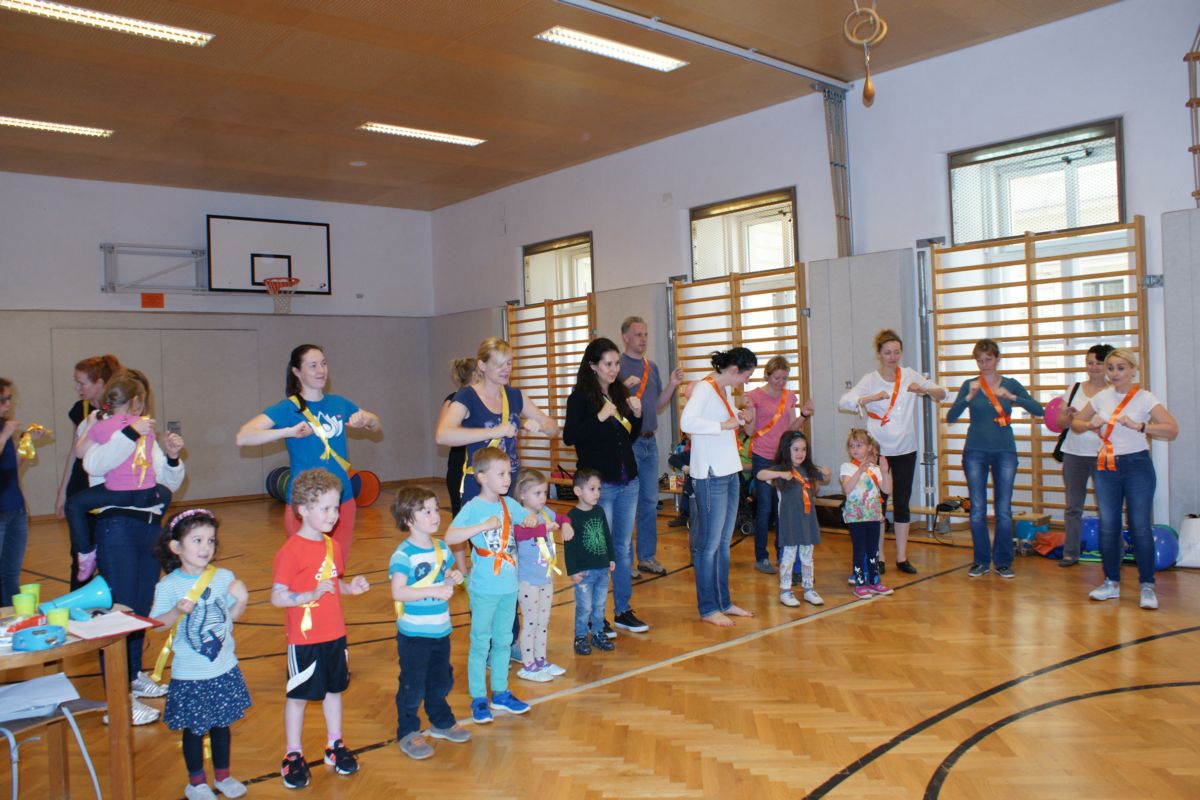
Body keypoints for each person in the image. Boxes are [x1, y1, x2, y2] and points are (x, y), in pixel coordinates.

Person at [81, 370, 185, 726]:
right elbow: (93, 464)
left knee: (141, 606)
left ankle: (134, 674)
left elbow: (166, 481)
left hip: (148, 526)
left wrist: (172, 457)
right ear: (136, 402)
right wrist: (128, 434)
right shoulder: (102, 428)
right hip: (117, 526)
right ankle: (118, 700)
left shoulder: (145, 434)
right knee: (119, 608)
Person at [270, 468, 371, 789]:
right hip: (304, 638)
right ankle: (293, 754)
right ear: (302, 509)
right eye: (325, 508)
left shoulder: (332, 546)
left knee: (334, 690)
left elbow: (332, 583)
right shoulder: (290, 551)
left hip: (335, 633)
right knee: (299, 697)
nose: (333, 514)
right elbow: (277, 597)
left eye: (336, 507)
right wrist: (308, 596)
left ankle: (334, 744)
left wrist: (349, 588)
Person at [237, 344, 381, 559]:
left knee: (336, 567)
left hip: (342, 501)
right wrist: (288, 432)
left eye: (323, 364)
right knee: (308, 568)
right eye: (313, 365)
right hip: (305, 504)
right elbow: (244, 436)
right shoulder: (287, 408)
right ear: (296, 371)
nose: (321, 370)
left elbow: (377, 424)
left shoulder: (339, 403)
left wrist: (367, 420)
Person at [150, 509, 251, 800]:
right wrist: (175, 611)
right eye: (197, 540)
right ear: (176, 547)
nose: (206, 547)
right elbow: (157, 625)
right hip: (191, 674)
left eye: (211, 540)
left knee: (221, 726)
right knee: (194, 731)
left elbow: (230, 618)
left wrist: (242, 600)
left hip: (223, 668)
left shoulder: (224, 577)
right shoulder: (168, 586)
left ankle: (223, 776)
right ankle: (196, 783)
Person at [1071, 349, 1178, 610]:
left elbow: (1171, 429)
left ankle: (1147, 585)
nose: (1115, 373)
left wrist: (1142, 426)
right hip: (1106, 466)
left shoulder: (1145, 397)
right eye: (1111, 368)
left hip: (1137, 465)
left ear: (1132, 370)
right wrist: (1089, 424)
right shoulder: (1101, 397)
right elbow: (1075, 424)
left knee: (1139, 525)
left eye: (1121, 368)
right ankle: (1111, 582)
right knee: (1109, 525)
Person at [839, 330, 944, 575]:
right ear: (879, 354)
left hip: (906, 448)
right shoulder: (870, 379)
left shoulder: (909, 375)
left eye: (897, 352)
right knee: (878, 503)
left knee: (902, 503)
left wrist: (924, 390)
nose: (893, 357)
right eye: (887, 352)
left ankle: (902, 556)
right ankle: (879, 556)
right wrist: (869, 398)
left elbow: (942, 393)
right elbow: (844, 402)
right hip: (878, 452)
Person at [563, 337, 649, 636]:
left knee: (623, 550)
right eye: (608, 364)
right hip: (600, 487)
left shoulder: (619, 392)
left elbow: (628, 436)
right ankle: (593, 616)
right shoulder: (580, 398)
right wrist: (598, 418)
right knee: (599, 551)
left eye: (616, 364)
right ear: (593, 365)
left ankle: (623, 609)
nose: (614, 369)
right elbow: (570, 436)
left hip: (628, 481)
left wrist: (637, 416)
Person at [444, 447, 536, 724]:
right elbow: (450, 536)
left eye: (509, 473)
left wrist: (532, 518)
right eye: (501, 474)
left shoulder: (509, 504)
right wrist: (481, 527)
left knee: (504, 641)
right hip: (484, 589)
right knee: (480, 643)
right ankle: (478, 698)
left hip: (509, 588)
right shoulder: (473, 508)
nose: (508, 478)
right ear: (482, 477)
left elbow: (528, 516)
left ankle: (500, 692)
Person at [946, 339, 1043, 579]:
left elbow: (1038, 410)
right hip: (975, 451)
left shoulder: (1010, 383)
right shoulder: (969, 384)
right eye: (980, 360)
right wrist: (967, 398)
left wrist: (1012, 397)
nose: (984, 364)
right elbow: (950, 416)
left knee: (1003, 509)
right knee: (977, 509)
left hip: (1004, 451)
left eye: (988, 359)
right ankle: (980, 561)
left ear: (997, 359)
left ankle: (1003, 562)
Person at [387, 487, 470, 761]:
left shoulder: (441, 547)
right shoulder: (403, 555)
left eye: (435, 509)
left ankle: (441, 721)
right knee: (413, 684)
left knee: (440, 680)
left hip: (440, 630)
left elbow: (444, 575)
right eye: (426, 511)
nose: (435, 515)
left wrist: (453, 578)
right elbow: (399, 592)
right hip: (414, 635)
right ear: (408, 519)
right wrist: (433, 590)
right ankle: (408, 731)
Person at [66, 372, 173, 583]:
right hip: (146, 494)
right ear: (137, 402)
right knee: (165, 494)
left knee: (74, 505)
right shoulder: (145, 425)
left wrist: (93, 425)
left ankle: (85, 552)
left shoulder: (103, 424)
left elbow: (80, 453)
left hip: (116, 493)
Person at [680, 347, 758, 627]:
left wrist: (740, 417)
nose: (746, 382)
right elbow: (687, 422)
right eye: (746, 376)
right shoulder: (704, 387)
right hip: (711, 475)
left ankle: (723, 602)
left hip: (729, 471)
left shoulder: (723, 390)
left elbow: (725, 422)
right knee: (708, 546)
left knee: (723, 544)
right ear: (735, 370)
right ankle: (708, 607)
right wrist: (724, 424)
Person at [435, 337, 558, 507]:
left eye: (509, 363)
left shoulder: (515, 395)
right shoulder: (467, 396)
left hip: (511, 484)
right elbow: (442, 435)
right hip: (481, 485)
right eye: (499, 364)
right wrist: (493, 432)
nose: (506, 369)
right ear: (482, 365)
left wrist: (542, 426)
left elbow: (554, 428)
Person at [618, 316, 683, 578]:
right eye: (638, 334)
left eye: (645, 334)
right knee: (627, 503)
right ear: (626, 337)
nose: (643, 339)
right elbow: (607, 402)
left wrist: (672, 385)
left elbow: (656, 405)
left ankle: (646, 557)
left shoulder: (651, 367)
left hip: (649, 441)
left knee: (649, 501)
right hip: (628, 442)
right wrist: (623, 388)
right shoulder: (617, 365)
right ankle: (624, 561)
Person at [55, 353, 121, 589]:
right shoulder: (80, 409)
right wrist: (63, 492)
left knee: (109, 554)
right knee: (80, 556)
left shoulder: (119, 410)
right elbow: (74, 452)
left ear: (100, 383)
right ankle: (79, 604)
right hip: (81, 489)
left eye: (81, 383)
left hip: (108, 490)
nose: (77, 388)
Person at [744, 356, 815, 576]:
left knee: (781, 508)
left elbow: (791, 429)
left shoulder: (789, 396)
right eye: (777, 378)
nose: (780, 382)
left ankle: (782, 553)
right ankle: (761, 556)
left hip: (782, 458)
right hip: (762, 457)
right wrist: (747, 414)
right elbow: (749, 431)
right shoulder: (754, 396)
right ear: (767, 375)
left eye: (784, 378)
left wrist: (804, 415)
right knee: (764, 508)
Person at [511, 468, 574, 682]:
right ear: (522, 494)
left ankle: (541, 660)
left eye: (544, 492)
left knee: (543, 622)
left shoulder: (545, 512)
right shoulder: (520, 515)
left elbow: (563, 517)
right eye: (537, 493)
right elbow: (519, 533)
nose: (542, 498)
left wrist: (565, 525)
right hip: (527, 581)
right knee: (530, 622)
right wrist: (543, 528)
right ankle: (528, 664)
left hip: (545, 579)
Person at [1054, 344, 1113, 567]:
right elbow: (1060, 422)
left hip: (1103, 454)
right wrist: (1071, 417)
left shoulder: (1113, 391)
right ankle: (1070, 553)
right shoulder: (1075, 388)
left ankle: (1114, 552)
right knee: (1073, 507)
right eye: (1090, 362)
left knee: (1108, 507)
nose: (1093, 367)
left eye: (1099, 363)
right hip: (1074, 453)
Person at [756, 430, 830, 607]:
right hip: (789, 521)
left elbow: (822, 480)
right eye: (796, 449)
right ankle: (785, 590)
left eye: (803, 449)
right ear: (786, 449)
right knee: (788, 556)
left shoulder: (808, 469)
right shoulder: (781, 470)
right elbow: (760, 474)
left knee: (807, 556)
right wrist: (780, 474)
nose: (800, 453)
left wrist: (827, 473)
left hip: (807, 520)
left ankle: (808, 588)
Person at [0, 377, 49, 606]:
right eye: (3, 400)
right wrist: (4, 436)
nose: (8, 404)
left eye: (9, 399)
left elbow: (11, 467)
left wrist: (26, 443)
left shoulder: (5, 428)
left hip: (15, 510)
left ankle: (11, 620)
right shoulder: (4, 432)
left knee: (10, 575)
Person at [565, 468, 616, 655]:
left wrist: (611, 558)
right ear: (578, 491)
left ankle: (597, 633)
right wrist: (572, 570)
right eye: (592, 489)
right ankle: (580, 637)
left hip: (602, 569)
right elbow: (569, 546)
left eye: (599, 489)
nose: (597, 493)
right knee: (585, 607)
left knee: (600, 605)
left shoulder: (599, 511)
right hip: (584, 572)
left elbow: (607, 536)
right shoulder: (572, 516)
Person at [841, 429, 893, 599]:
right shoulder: (847, 467)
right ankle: (860, 583)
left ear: (870, 447)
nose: (855, 449)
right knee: (860, 550)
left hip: (873, 515)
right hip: (856, 517)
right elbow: (847, 488)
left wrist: (885, 472)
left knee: (873, 549)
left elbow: (887, 490)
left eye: (859, 445)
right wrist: (860, 471)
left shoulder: (875, 469)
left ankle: (874, 581)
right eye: (852, 446)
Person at [439, 357, 477, 518]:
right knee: (461, 515)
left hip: (483, 464)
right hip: (460, 465)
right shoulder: (454, 399)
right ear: (474, 375)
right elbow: (444, 433)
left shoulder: (487, 399)